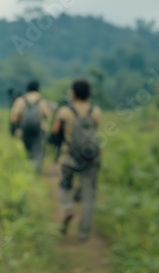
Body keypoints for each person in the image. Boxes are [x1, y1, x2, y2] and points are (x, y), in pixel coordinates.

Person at [50, 79, 102, 241]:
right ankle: (83, 232)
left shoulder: (65, 111)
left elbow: (55, 131)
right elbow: (94, 131)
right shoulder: (95, 111)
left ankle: (68, 209)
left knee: (64, 185)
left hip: (69, 156)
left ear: (73, 93)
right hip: (89, 157)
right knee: (88, 196)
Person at [10, 80, 51, 173]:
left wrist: (13, 128)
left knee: (27, 150)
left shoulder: (21, 100)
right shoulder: (41, 101)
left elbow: (15, 117)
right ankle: (36, 171)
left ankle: (27, 170)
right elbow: (47, 115)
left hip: (24, 130)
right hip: (38, 130)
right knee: (38, 150)